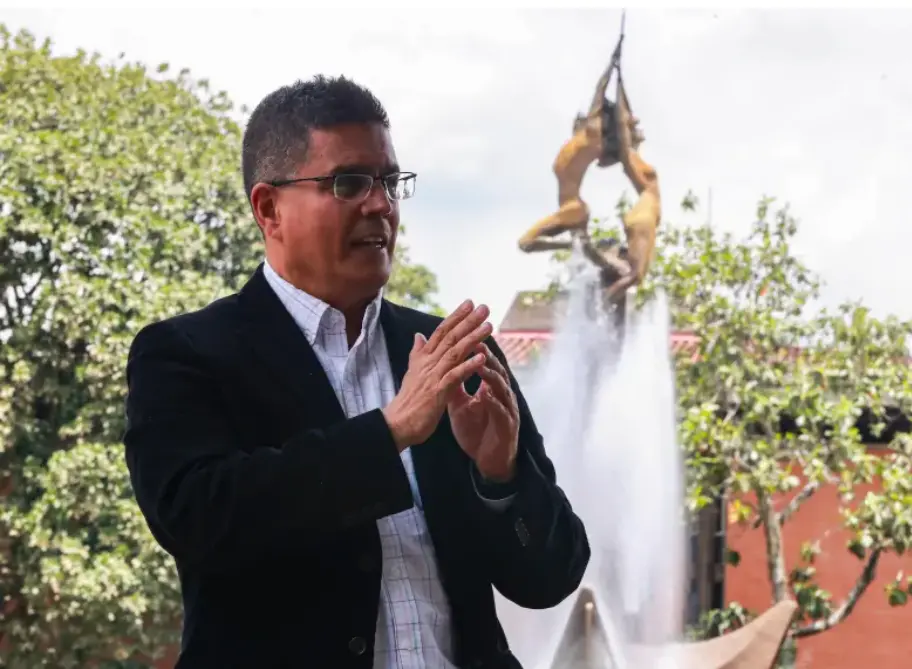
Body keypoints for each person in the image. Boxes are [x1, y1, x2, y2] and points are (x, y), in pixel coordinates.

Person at [123, 74, 589, 669]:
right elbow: (198, 520)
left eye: (390, 182)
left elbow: (551, 578)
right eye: (348, 183)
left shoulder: (454, 353)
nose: (380, 205)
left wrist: (499, 478)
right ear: (269, 209)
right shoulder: (185, 353)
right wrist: (390, 432)